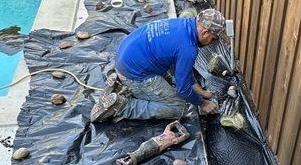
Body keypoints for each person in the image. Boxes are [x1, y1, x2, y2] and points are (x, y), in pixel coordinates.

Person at [91, 8, 225, 123]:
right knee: (179, 108)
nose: (211, 43)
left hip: (125, 58)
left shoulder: (183, 24)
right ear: (205, 32)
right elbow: (183, 89)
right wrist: (202, 103)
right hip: (135, 75)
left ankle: (122, 83)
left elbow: (184, 71)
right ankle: (121, 106)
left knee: (173, 80)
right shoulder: (188, 48)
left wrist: (201, 92)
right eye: (213, 39)